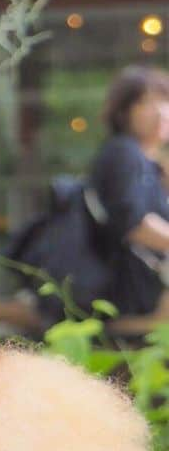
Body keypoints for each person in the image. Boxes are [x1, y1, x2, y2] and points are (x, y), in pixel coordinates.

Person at [89, 65, 169, 317]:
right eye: (146, 102)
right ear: (123, 112)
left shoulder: (148, 163)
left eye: (164, 101)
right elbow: (133, 224)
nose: (159, 111)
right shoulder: (123, 152)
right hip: (128, 292)